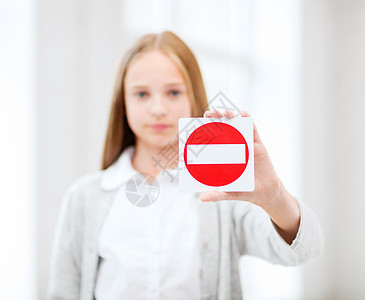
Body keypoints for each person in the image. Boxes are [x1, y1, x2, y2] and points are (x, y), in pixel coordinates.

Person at [47, 31, 323, 300]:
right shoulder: (84, 197)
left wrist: (274, 196)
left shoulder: (223, 194)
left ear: (193, 96)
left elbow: (304, 250)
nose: (158, 108)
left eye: (174, 92)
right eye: (141, 94)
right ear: (123, 104)